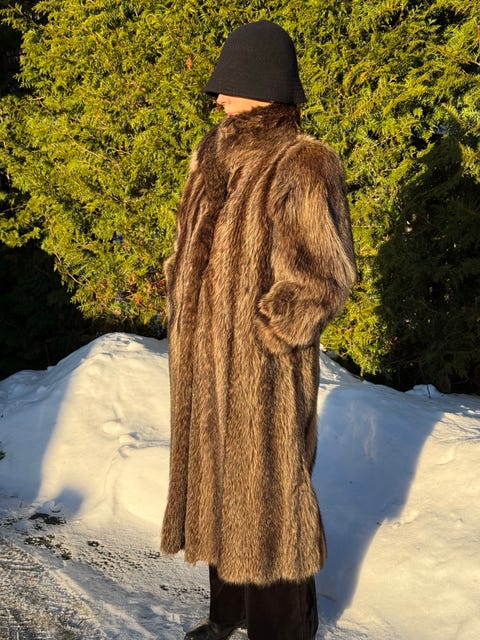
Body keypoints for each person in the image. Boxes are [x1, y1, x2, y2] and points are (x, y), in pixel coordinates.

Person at [160, 20, 356, 640]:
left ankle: (284, 629)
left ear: (264, 85)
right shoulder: (211, 156)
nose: (218, 96)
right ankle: (228, 614)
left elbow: (323, 275)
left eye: (230, 84)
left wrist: (267, 337)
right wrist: (181, 295)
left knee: (269, 500)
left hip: (263, 371)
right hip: (202, 361)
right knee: (219, 483)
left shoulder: (302, 162)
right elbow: (190, 248)